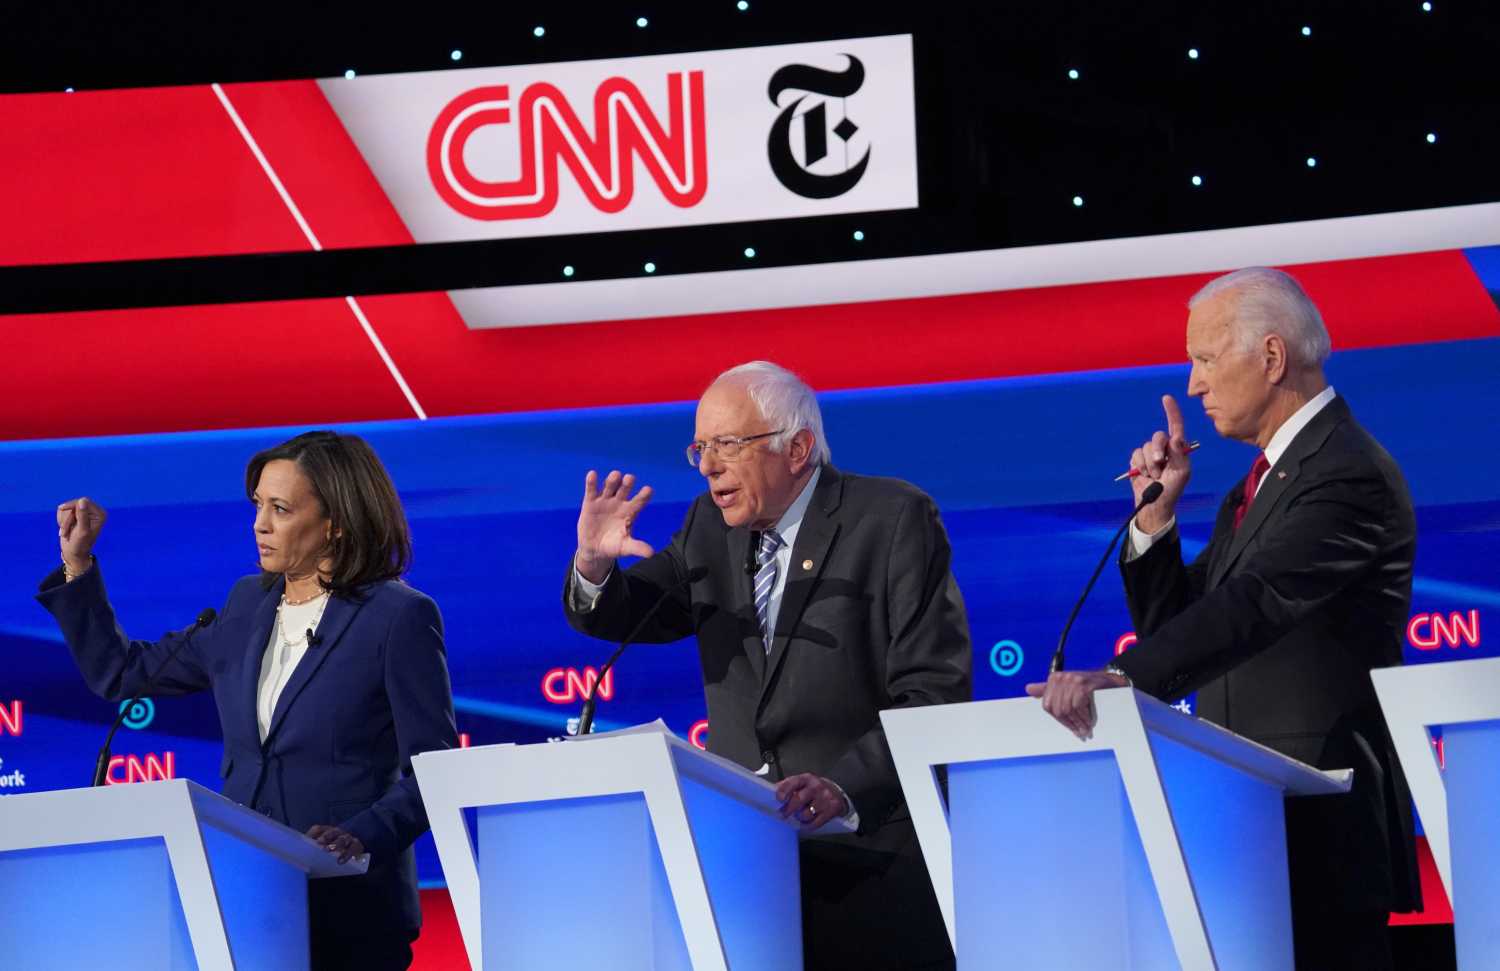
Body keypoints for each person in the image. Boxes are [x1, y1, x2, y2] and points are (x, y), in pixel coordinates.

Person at [1026, 267, 1421, 969]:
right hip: (1245, 833)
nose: (1195, 383)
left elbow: (1256, 603)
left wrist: (1121, 677)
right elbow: (1182, 620)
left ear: (1271, 358)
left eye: (1206, 359)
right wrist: (1155, 516)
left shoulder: (1346, 471)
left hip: (1321, 833)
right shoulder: (1264, 479)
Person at [563, 361, 971, 971]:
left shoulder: (890, 519)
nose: (707, 467)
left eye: (727, 445)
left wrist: (843, 785)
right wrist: (594, 568)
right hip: (747, 871)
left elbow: (935, 691)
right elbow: (636, 611)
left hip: (871, 863)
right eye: (700, 448)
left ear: (798, 447)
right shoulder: (709, 526)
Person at [38, 430, 458, 971]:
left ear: (335, 521)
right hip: (246, 906)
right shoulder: (245, 605)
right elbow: (126, 673)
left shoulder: (397, 617)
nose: (260, 524)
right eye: (258, 505)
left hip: (348, 914)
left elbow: (434, 769)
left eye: (280, 509)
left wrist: (359, 835)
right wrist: (78, 566)